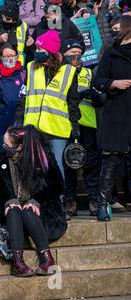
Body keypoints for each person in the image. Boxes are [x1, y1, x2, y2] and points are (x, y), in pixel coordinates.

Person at [0, 125, 64, 277]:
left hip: (42, 211)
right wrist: (8, 198)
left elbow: (57, 185)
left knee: (29, 211)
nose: (4, 147)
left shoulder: (43, 157)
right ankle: (18, 262)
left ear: (20, 147)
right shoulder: (4, 158)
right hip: (14, 214)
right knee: (13, 209)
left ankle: (47, 258)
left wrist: (37, 200)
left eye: (7, 145)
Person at [23, 30, 81, 178]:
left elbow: (73, 101)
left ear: (50, 51)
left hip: (57, 127)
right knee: (36, 165)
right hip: (34, 126)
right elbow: (23, 97)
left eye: (40, 49)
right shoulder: (31, 67)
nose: (36, 52)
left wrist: (74, 125)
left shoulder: (69, 71)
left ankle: (58, 199)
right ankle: (37, 200)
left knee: (56, 165)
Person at [92, 15, 131, 221]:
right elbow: (98, 80)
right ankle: (103, 203)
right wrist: (113, 84)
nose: (115, 31)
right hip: (116, 112)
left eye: (118, 28)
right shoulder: (111, 52)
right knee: (111, 160)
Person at [62, 39, 101, 219]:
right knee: (69, 164)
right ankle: (70, 202)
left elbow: (100, 97)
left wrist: (92, 93)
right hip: (66, 123)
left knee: (92, 164)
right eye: (72, 52)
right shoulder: (60, 72)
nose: (75, 55)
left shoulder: (89, 72)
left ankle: (94, 200)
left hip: (88, 123)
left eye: (79, 52)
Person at [0, 43, 26, 153]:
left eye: (12, 56)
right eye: (6, 56)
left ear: (17, 56)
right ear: (1, 58)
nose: (9, 59)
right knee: (3, 157)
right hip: (1, 125)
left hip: (19, 124)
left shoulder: (24, 74)